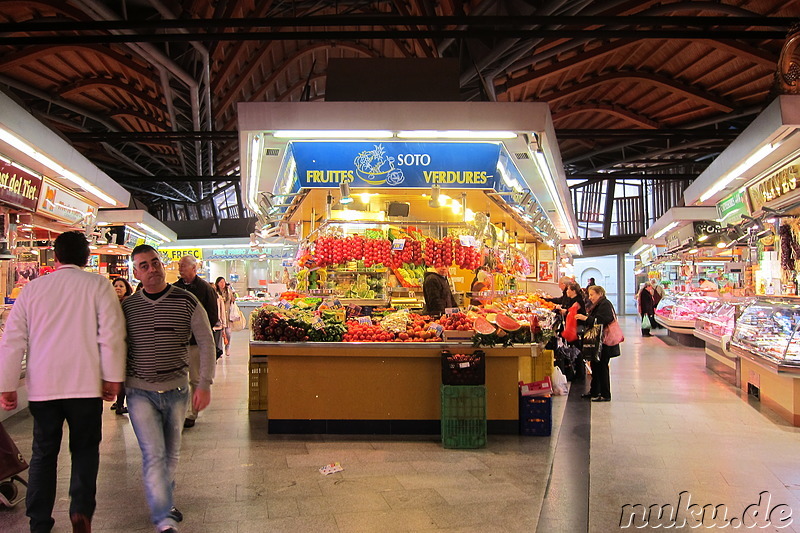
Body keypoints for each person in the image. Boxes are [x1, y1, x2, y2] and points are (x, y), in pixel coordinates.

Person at [0, 231, 127, 533]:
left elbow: (13, 339)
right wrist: (112, 378)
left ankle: (39, 520)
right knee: (84, 449)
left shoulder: (33, 290)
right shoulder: (98, 286)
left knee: (44, 452)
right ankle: (81, 509)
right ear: (86, 258)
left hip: (44, 387)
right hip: (86, 386)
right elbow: (111, 335)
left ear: (55, 257)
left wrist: (6, 384)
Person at [123, 245, 215, 533]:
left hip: (177, 390)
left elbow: (207, 342)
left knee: (171, 453)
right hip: (139, 392)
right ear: (135, 273)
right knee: (153, 453)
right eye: (144, 266)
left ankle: (164, 497)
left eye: (155, 263)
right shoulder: (127, 307)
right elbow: (115, 345)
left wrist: (205, 384)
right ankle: (163, 517)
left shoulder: (186, 301)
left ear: (163, 265)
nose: (152, 269)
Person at [173, 255, 219, 428]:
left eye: (183, 265)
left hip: (195, 342)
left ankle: (191, 413)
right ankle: (179, 410)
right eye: (179, 265)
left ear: (194, 268)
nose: (180, 268)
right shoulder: (175, 288)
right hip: (178, 342)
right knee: (178, 378)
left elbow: (213, 315)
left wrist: (201, 332)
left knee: (194, 377)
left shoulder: (205, 289)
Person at [576, 285, 620, 402]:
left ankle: (605, 394)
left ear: (599, 294)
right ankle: (594, 391)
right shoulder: (600, 304)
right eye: (589, 295)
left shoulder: (605, 304)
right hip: (600, 341)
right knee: (595, 366)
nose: (590, 298)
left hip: (605, 342)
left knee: (602, 367)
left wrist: (586, 318)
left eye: (592, 295)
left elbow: (602, 320)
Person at [111, 277, 133, 415]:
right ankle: (118, 402)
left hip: (125, 343)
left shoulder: (128, 304)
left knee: (123, 375)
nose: (118, 288)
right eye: (115, 285)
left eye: (121, 286)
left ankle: (120, 403)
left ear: (126, 289)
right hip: (114, 343)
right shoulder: (111, 303)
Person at [214, 276, 236, 356]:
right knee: (219, 334)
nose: (222, 284)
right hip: (219, 315)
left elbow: (232, 300)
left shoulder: (228, 291)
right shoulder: (215, 292)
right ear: (217, 283)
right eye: (221, 282)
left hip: (228, 315)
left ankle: (227, 347)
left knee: (228, 333)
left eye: (223, 282)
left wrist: (233, 299)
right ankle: (220, 349)